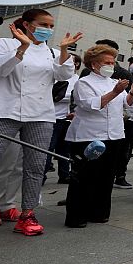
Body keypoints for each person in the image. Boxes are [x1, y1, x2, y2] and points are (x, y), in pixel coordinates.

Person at [0, 9, 81, 250]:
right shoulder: (5, 43)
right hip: (2, 111)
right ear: (26, 24)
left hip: (41, 115)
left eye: (51, 26)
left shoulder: (52, 52)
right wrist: (21, 48)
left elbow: (63, 74)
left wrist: (64, 50)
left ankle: (27, 214)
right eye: (43, 24)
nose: (48, 29)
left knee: (34, 167)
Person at [64, 44, 133, 227]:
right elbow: (91, 105)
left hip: (114, 135)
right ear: (94, 64)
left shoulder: (113, 82)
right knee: (85, 176)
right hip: (89, 135)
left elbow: (128, 104)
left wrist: (132, 91)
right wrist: (115, 92)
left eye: (113, 62)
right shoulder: (84, 82)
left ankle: (98, 212)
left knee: (106, 176)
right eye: (106, 62)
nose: (111, 65)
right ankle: (77, 215)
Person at [45, 54, 81, 184]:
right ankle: (42, 175)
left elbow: (78, 99)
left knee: (65, 149)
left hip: (69, 119)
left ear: (76, 64)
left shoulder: (78, 80)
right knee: (49, 147)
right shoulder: (55, 77)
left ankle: (64, 175)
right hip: (53, 117)